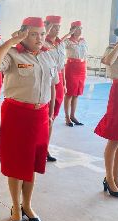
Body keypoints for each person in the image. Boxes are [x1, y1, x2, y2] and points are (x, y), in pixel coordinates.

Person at [0, 17, 59, 221]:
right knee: (18, 163)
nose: (40, 38)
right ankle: (15, 206)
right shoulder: (12, 53)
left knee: (33, 163)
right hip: (18, 115)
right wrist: (10, 42)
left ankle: (27, 204)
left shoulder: (48, 55)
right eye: (34, 34)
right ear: (24, 33)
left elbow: (54, 84)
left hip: (40, 115)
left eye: (42, 34)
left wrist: (51, 112)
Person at [95, 16, 118, 199]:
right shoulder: (113, 47)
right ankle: (109, 178)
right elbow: (108, 61)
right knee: (115, 138)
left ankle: (116, 179)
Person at [44, 15, 73, 162]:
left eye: (58, 27)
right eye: (53, 26)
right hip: (45, 81)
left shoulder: (60, 44)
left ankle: (45, 147)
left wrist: (64, 83)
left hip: (58, 81)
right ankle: (38, 147)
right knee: (43, 116)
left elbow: (62, 67)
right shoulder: (41, 42)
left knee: (52, 117)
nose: (56, 29)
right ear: (46, 25)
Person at [64, 21, 88, 127]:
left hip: (81, 67)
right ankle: (67, 117)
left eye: (81, 28)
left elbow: (85, 55)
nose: (80, 30)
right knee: (69, 93)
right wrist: (68, 34)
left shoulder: (83, 41)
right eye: (77, 28)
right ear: (72, 30)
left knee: (77, 94)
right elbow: (59, 43)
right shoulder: (68, 41)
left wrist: (85, 70)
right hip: (71, 67)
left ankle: (73, 115)